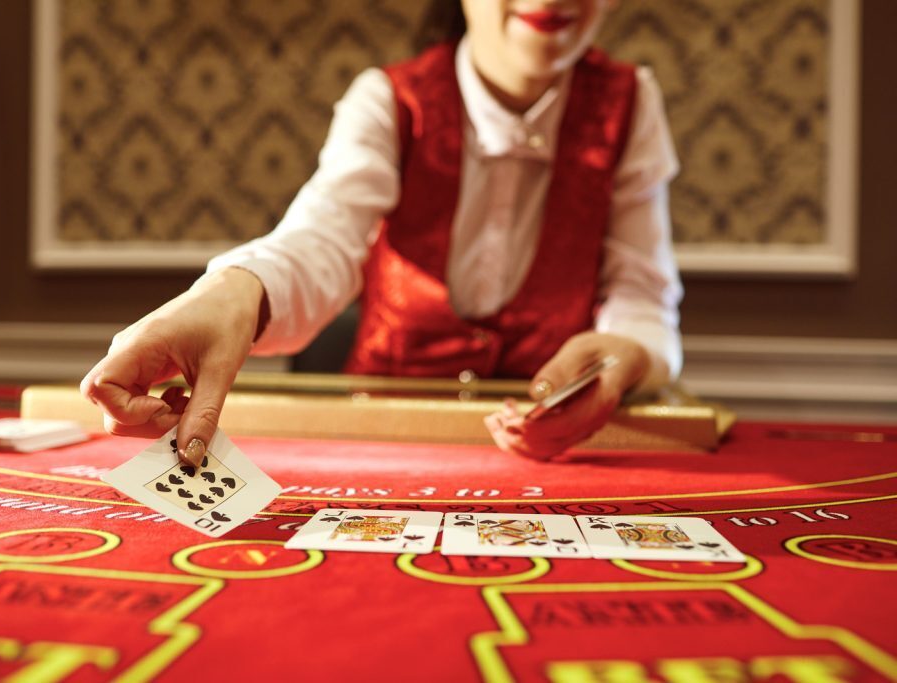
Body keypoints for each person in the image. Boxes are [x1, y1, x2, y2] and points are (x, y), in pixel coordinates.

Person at [81, 0, 683, 464]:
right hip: (382, 441)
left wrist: (626, 356)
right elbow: (322, 241)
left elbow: (643, 296)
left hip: (550, 456)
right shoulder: (389, 99)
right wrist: (235, 293)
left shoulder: (633, 102)